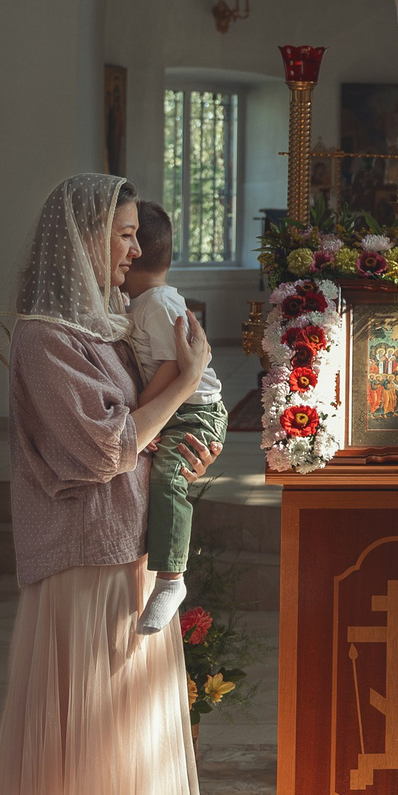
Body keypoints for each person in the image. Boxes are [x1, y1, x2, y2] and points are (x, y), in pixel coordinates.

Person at [0, 173, 215, 795]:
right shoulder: (45, 338)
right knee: (70, 730)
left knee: (117, 730)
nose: (135, 248)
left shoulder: (106, 328)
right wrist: (181, 385)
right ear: (80, 241)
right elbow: (106, 447)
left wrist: (189, 450)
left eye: (134, 235)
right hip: (78, 555)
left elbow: (144, 442)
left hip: (127, 551)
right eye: (119, 234)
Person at [120, 200, 228, 635]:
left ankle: (172, 580)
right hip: (176, 407)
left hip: (195, 410)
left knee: (169, 477)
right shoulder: (141, 300)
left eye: (128, 238)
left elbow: (173, 366)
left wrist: (141, 413)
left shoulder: (158, 302)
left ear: (135, 254)